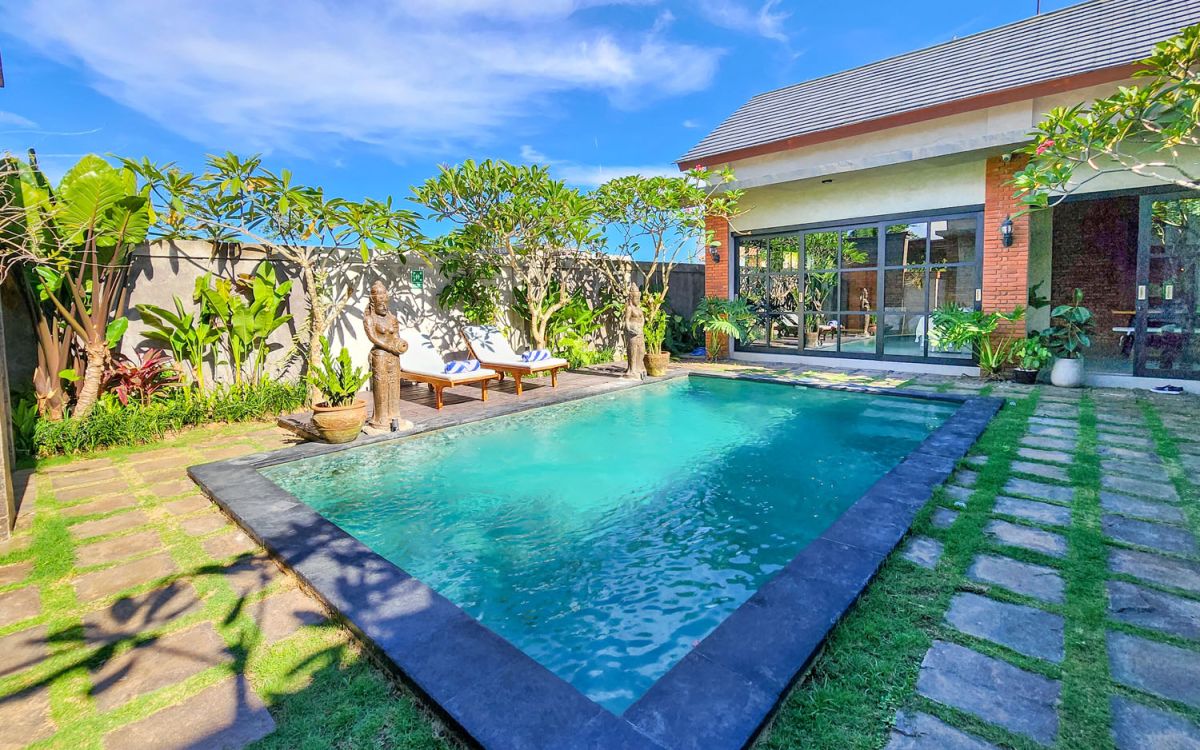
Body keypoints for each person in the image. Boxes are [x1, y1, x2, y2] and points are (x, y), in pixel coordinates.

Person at [362, 281, 408, 427]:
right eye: (378, 294)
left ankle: (395, 414)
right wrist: (388, 346)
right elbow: (373, 337)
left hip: (394, 355)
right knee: (381, 385)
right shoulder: (370, 319)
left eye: (383, 293)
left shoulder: (392, 318)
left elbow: (396, 335)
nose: (381, 297)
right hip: (380, 355)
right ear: (372, 298)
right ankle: (380, 417)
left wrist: (400, 344)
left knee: (394, 384)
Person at [624, 283, 646, 379]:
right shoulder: (629, 308)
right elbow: (626, 321)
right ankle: (632, 370)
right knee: (633, 351)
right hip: (633, 333)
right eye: (636, 298)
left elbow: (643, 319)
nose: (637, 300)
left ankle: (639, 367)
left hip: (640, 332)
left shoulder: (639, 309)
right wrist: (629, 329)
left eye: (638, 298)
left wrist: (641, 325)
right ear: (631, 298)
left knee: (641, 350)